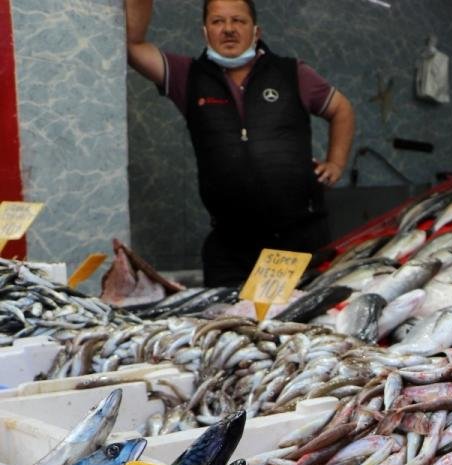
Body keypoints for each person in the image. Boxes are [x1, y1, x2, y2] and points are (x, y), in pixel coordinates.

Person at [125, 0, 355, 287]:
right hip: (231, 247)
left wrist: (336, 162)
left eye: (239, 21)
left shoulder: (291, 72)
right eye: (218, 22)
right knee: (230, 325)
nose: (229, 29)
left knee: (296, 324)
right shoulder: (188, 76)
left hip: (296, 241)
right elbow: (133, 46)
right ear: (205, 31)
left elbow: (341, 109)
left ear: (256, 31)